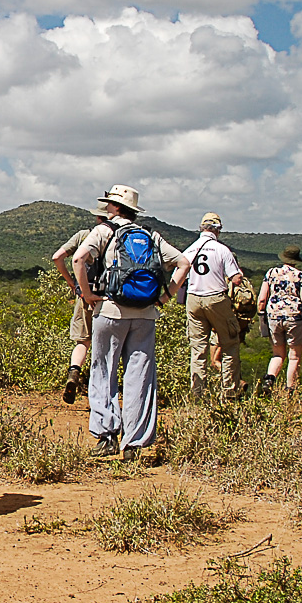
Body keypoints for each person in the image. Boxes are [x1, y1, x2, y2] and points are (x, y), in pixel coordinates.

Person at [72, 185, 183, 458]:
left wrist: (87, 295)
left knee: (103, 372)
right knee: (140, 377)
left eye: (110, 204)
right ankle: (133, 443)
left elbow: (78, 259)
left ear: (116, 207)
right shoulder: (151, 235)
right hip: (146, 314)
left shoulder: (105, 231)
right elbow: (182, 263)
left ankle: (107, 435)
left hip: (110, 311)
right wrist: (165, 298)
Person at [175, 212, 245, 402]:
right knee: (229, 343)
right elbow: (236, 279)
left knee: (197, 349)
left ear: (201, 228)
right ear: (217, 230)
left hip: (193, 298)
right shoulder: (222, 250)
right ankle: (229, 393)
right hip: (216, 298)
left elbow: (178, 275)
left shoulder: (190, 250)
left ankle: (197, 395)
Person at [50, 211, 107, 404]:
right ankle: (100, 392)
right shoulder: (118, 237)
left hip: (85, 295)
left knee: (82, 341)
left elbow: (57, 257)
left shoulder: (84, 235)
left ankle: (74, 371)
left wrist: (74, 284)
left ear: (98, 217)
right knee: (107, 347)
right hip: (109, 298)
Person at [257, 245, 302, 399]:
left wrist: (262, 319)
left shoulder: (271, 273)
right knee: (294, 356)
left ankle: (269, 379)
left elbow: (261, 299)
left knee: (277, 354)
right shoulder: (300, 276)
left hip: (273, 317)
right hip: (295, 319)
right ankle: (290, 391)